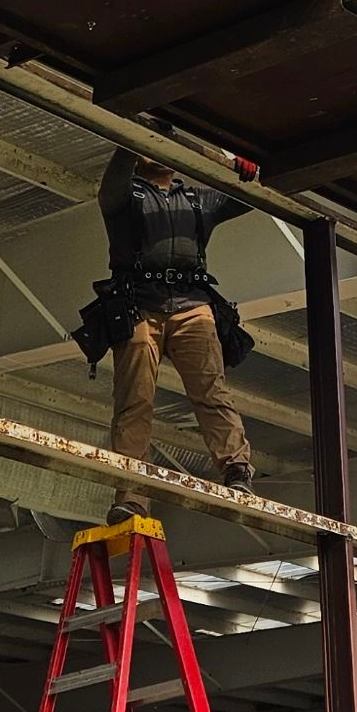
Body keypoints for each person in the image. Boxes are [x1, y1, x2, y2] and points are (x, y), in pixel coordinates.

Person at [78, 146, 258, 521]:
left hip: (192, 305)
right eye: (149, 146)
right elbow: (113, 180)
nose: (157, 152)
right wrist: (132, 140)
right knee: (134, 400)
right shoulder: (125, 196)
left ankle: (236, 471)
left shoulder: (197, 200)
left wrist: (250, 168)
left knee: (211, 390)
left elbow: (255, 194)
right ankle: (131, 494)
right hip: (139, 306)